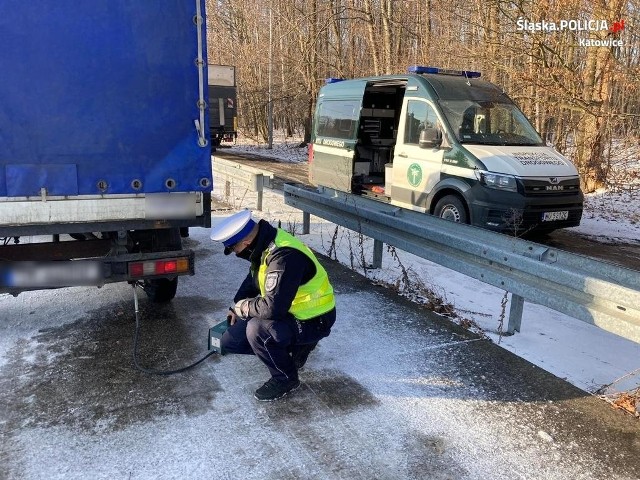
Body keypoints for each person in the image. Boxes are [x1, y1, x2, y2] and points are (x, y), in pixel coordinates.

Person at [210, 210, 337, 401]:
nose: (236, 254)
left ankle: (285, 378)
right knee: (230, 341)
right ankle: (293, 348)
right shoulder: (263, 245)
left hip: (315, 319)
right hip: (292, 314)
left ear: (244, 243)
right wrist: (235, 304)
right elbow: (253, 279)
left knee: (258, 329)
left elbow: (272, 309)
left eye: (233, 250)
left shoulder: (284, 256)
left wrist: (244, 308)